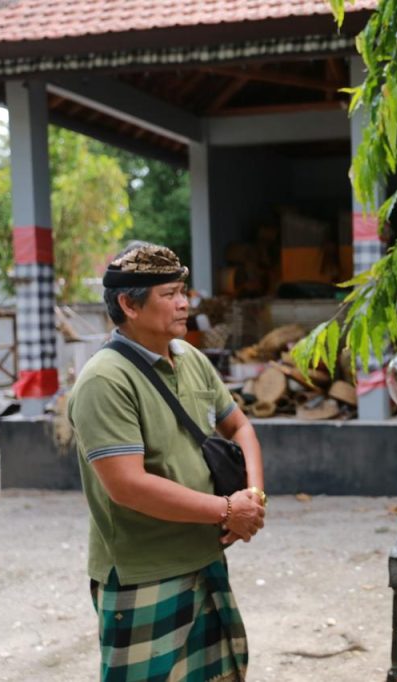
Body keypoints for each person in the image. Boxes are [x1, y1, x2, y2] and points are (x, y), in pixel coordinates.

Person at [68, 242, 266, 681]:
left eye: (183, 292)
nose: (184, 304)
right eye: (170, 294)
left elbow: (240, 427)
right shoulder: (105, 380)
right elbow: (128, 486)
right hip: (145, 571)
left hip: (204, 557)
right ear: (129, 305)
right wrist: (227, 510)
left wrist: (252, 496)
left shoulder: (190, 358)